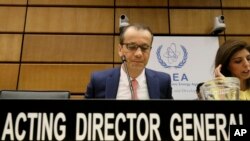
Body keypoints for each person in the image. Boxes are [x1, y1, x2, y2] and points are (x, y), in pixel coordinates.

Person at [85, 23, 173, 99]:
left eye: (144, 47)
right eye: (132, 46)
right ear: (120, 50)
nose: (139, 54)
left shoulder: (163, 81)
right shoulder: (98, 81)